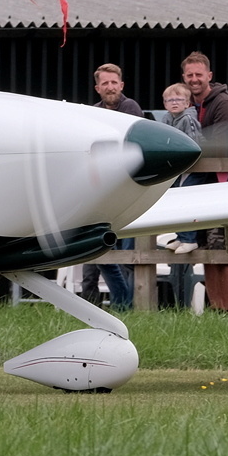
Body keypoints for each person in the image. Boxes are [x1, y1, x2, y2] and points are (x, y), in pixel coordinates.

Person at [82, 64, 144, 307]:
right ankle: (96, 306)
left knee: (125, 254)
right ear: (97, 88)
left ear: (121, 85)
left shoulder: (130, 108)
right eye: (105, 83)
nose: (110, 87)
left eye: (113, 82)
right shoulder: (94, 111)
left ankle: (124, 305)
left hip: (127, 190)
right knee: (98, 253)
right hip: (101, 190)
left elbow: (124, 144)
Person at [181, 51, 228, 311]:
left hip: (220, 186)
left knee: (220, 253)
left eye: (199, 75)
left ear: (209, 76)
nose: (194, 79)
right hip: (197, 187)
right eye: (190, 75)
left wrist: (189, 149)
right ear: (184, 77)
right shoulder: (184, 105)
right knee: (204, 252)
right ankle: (216, 308)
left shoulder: (223, 103)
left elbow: (222, 146)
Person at [159, 83, 203, 255]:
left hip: (191, 168)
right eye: (170, 100)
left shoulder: (188, 119)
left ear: (187, 103)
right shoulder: (165, 119)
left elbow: (194, 143)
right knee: (175, 199)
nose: (174, 102)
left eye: (179, 99)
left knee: (187, 201)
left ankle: (190, 239)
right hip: (175, 167)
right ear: (165, 104)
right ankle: (180, 235)